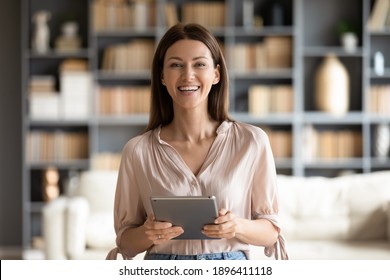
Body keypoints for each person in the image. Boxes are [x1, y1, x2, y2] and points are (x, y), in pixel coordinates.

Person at [106, 23, 288, 260]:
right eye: (176, 65)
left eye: (199, 64)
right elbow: (126, 243)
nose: (187, 75)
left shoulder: (252, 142)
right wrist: (148, 233)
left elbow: (271, 232)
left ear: (216, 74)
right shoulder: (137, 151)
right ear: (162, 75)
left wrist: (237, 226)